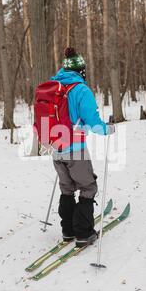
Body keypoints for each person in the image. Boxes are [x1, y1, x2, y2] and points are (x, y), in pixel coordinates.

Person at [50, 48, 115, 248]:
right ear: (82, 71)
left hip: (56, 148)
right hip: (74, 149)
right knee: (88, 187)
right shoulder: (81, 90)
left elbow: (71, 118)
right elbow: (92, 121)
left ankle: (68, 230)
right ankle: (83, 233)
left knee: (67, 188)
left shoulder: (53, 87)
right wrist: (108, 129)